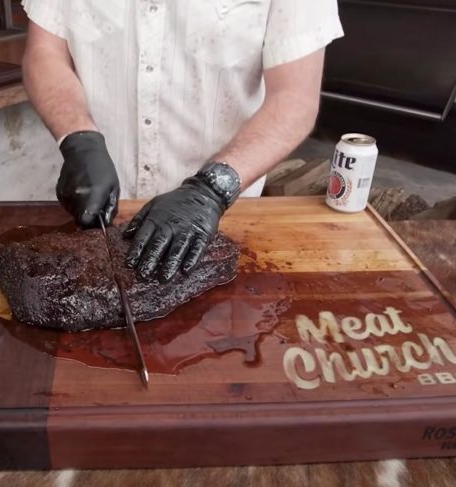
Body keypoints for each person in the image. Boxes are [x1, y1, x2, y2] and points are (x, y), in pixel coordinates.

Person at [21, 1, 343, 282]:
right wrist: (78, 137)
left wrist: (211, 190)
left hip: (222, 220)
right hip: (96, 212)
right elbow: (45, 51)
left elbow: (295, 98)